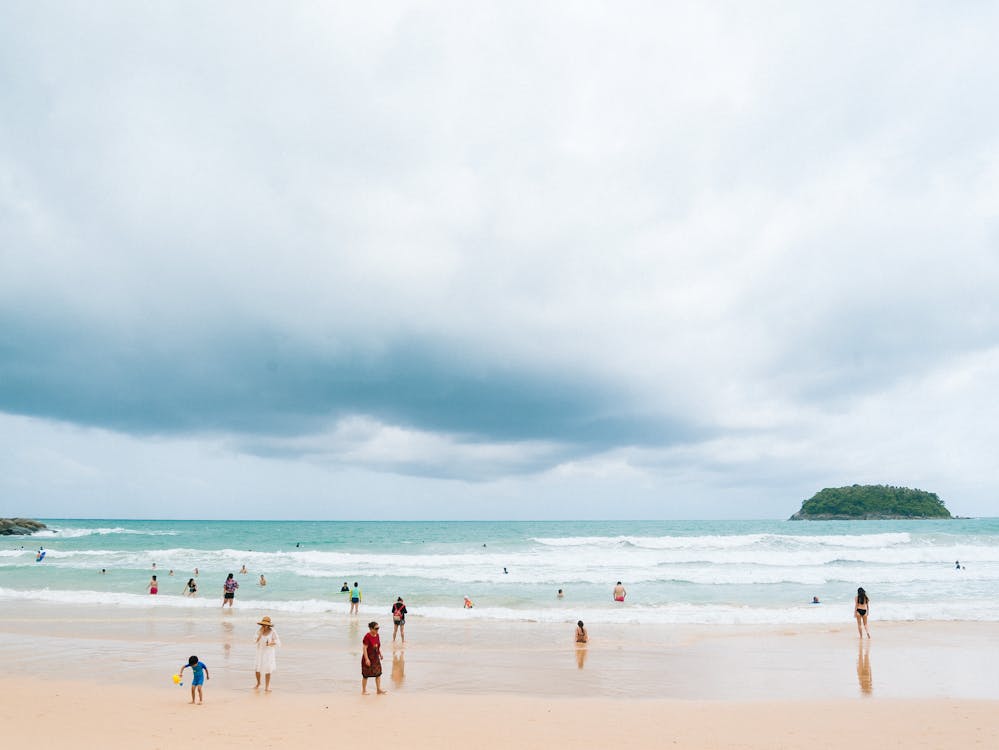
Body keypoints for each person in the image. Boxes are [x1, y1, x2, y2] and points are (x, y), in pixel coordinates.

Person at [254, 616, 280, 691]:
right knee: (257, 669)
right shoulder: (259, 631)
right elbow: (255, 641)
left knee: (268, 669)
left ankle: (267, 687)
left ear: (268, 625)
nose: (264, 626)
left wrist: (270, 643)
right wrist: (260, 634)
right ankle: (258, 683)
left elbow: (278, 641)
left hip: (268, 652)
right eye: (263, 625)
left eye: (266, 625)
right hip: (260, 651)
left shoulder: (272, 631)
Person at [361, 621, 386, 694]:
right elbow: (364, 648)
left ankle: (378, 690)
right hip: (368, 658)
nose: (377, 630)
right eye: (376, 628)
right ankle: (364, 691)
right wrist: (367, 659)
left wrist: (380, 654)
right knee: (365, 675)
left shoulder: (377, 635)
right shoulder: (367, 636)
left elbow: (377, 646)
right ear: (371, 629)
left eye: (378, 628)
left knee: (378, 674)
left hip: (375, 658)